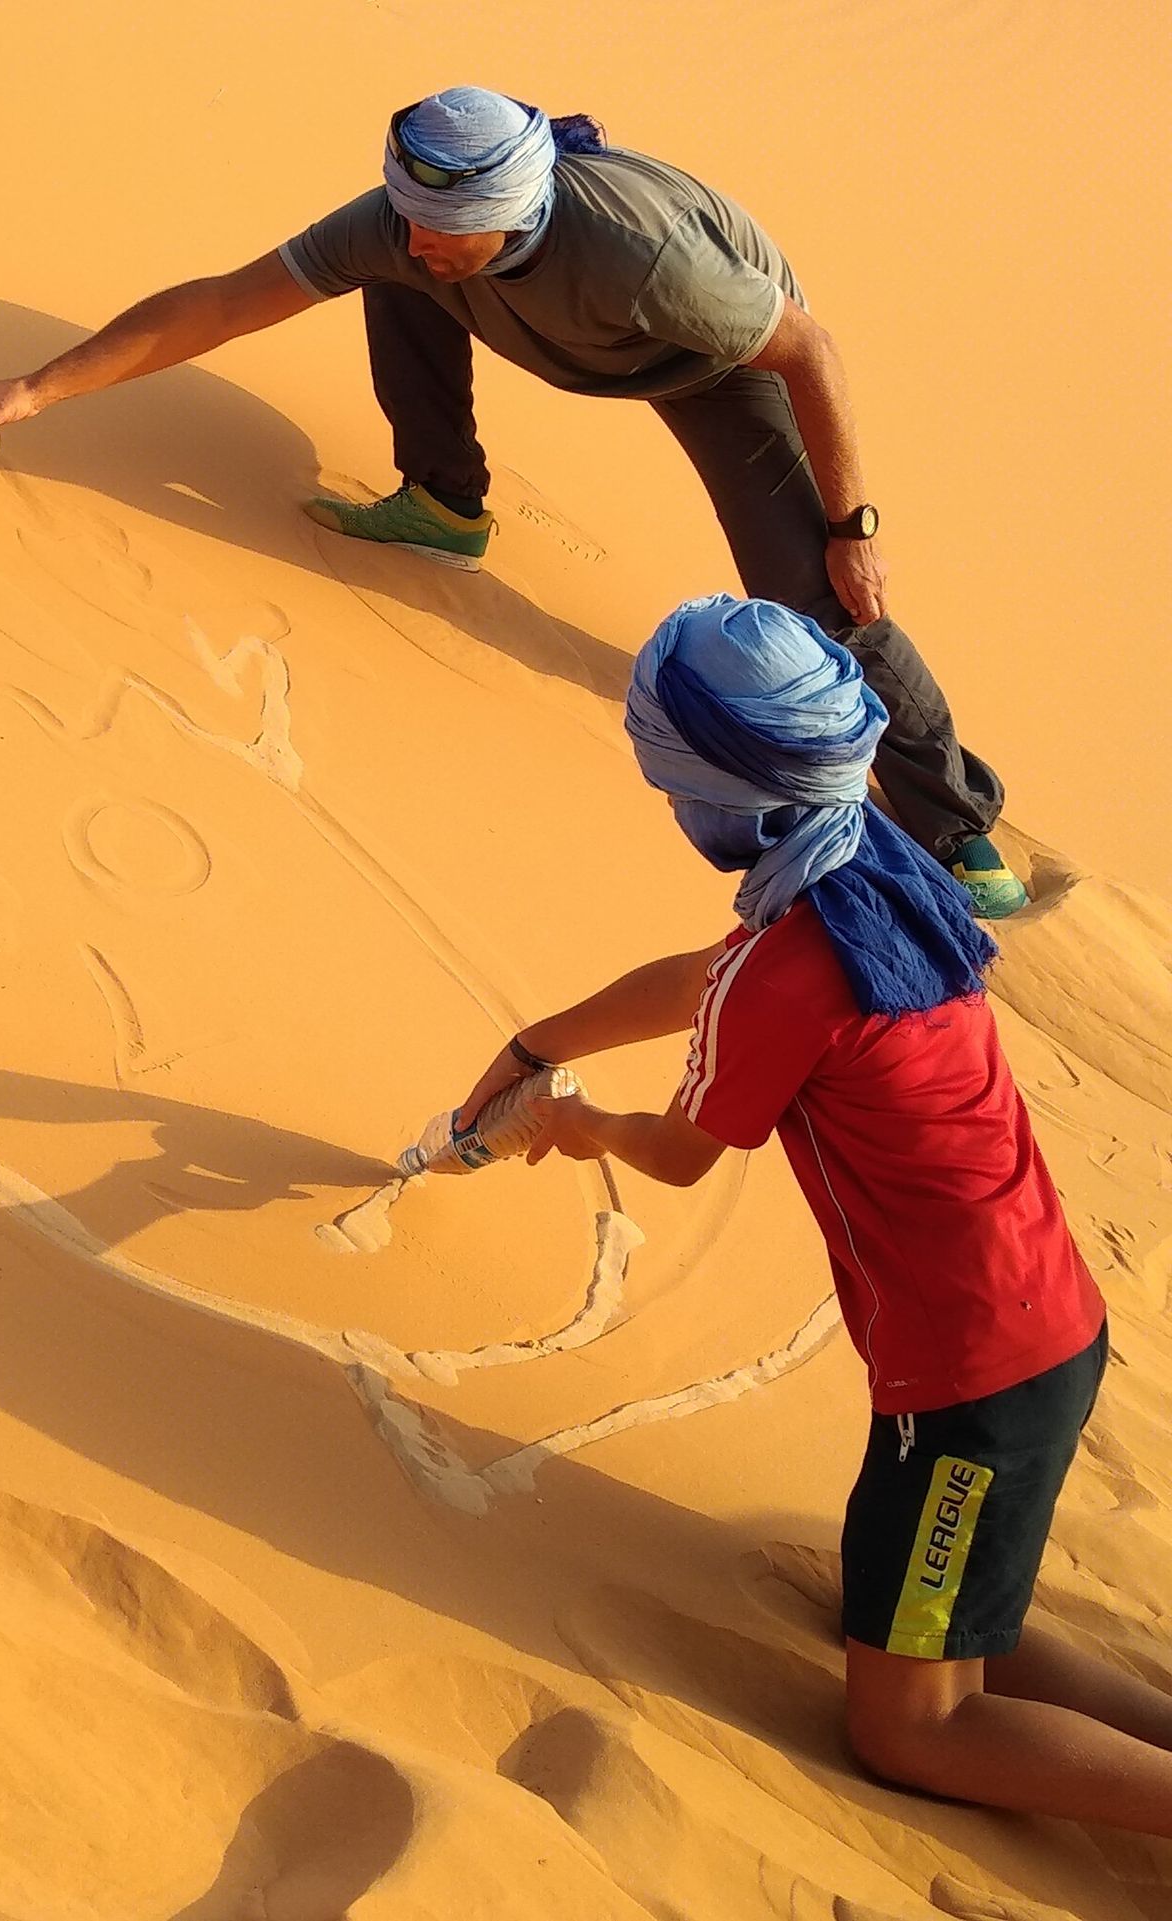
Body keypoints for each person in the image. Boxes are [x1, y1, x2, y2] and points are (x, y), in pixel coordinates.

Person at [0, 85, 1024, 917]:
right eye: (412, 218)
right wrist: (34, 388)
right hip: (549, 318)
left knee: (810, 597)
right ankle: (445, 507)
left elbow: (809, 350)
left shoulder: (646, 261)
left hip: (711, 361)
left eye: (450, 229)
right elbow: (225, 302)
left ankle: (956, 824)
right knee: (392, 279)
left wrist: (851, 527)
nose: (423, 240)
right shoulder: (414, 232)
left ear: (517, 204)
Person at [446, 592, 1170, 1834]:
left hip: (969, 1386)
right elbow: (707, 981)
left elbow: (680, 1150)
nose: (676, 810)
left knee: (910, 1725)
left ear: (725, 794)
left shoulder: (789, 966)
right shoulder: (871, 864)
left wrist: (579, 1124)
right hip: (1045, 1326)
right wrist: (538, 1039)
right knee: (949, 1629)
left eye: (675, 785)